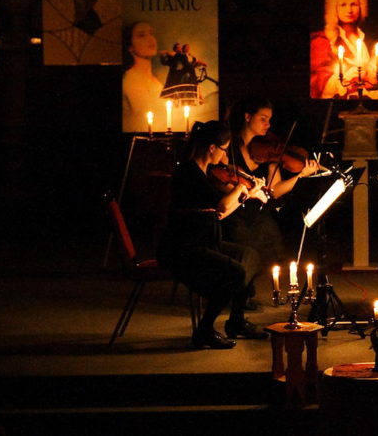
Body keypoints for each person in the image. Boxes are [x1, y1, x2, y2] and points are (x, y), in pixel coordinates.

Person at [157, 120, 268, 349]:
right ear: (211, 148)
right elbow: (221, 207)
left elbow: (219, 214)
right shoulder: (188, 173)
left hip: (207, 240)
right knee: (235, 272)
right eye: (224, 149)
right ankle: (204, 330)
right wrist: (242, 190)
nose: (225, 156)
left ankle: (236, 321)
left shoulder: (205, 173)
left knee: (251, 256)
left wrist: (251, 193)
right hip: (184, 248)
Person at [223, 97, 322, 303]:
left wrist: (300, 176)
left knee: (272, 248)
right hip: (236, 211)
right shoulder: (229, 146)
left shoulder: (269, 152)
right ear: (247, 117)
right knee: (247, 249)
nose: (268, 125)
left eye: (270, 120)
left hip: (257, 211)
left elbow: (275, 191)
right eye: (263, 119)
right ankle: (237, 294)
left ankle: (243, 291)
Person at [121, 21, 165, 132]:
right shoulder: (129, 80)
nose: (151, 39)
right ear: (130, 47)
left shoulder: (157, 82)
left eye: (151, 33)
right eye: (141, 35)